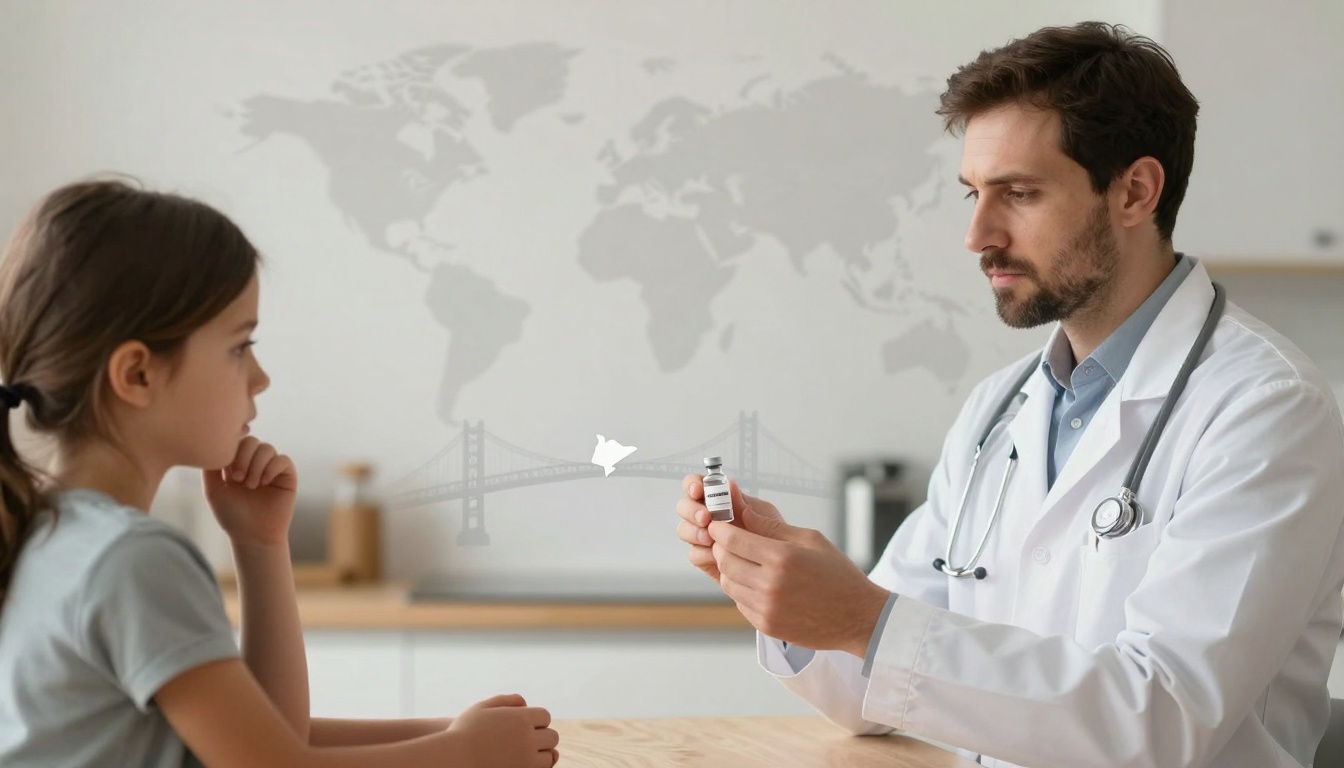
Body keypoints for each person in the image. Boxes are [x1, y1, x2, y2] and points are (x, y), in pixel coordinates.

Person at [675, 21, 1344, 768]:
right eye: (973, 193)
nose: (978, 234)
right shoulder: (1002, 408)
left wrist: (865, 621)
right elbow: (873, 687)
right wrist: (778, 586)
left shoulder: (1266, 409)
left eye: (1019, 193)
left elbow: (1162, 720)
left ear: (1135, 192)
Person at [0, 179, 560, 767]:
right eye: (240, 346)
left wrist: (260, 543)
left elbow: (268, 737)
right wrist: (461, 753)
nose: (260, 377)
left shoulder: (50, 532)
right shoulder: (132, 559)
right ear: (137, 374)